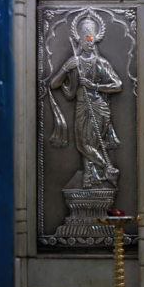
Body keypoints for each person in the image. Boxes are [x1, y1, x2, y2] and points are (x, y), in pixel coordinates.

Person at [49, 11, 123, 189]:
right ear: (79, 41)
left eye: (92, 38)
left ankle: (93, 175)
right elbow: (53, 84)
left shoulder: (102, 63)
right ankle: (101, 171)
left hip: (99, 107)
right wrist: (66, 68)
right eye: (86, 38)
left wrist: (94, 86)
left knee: (89, 144)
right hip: (82, 106)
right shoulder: (74, 63)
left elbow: (118, 85)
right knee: (83, 143)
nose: (89, 41)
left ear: (96, 39)